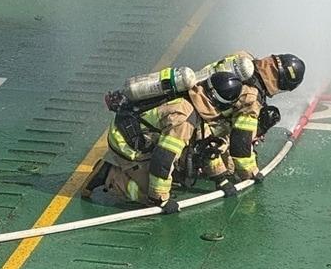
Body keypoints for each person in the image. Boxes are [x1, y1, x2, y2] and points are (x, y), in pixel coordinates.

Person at [88, 72, 243, 208]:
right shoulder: (184, 119)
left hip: (144, 134)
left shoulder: (194, 96)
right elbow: (163, 159)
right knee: (147, 196)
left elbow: (205, 143)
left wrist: (220, 178)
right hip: (125, 142)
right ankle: (109, 174)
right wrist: (159, 198)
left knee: (177, 166)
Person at [199, 51, 306, 181]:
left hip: (189, 101)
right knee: (229, 167)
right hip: (194, 127)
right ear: (281, 82)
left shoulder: (243, 58)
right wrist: (251, 173)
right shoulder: (251, 100)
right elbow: (240, 148)